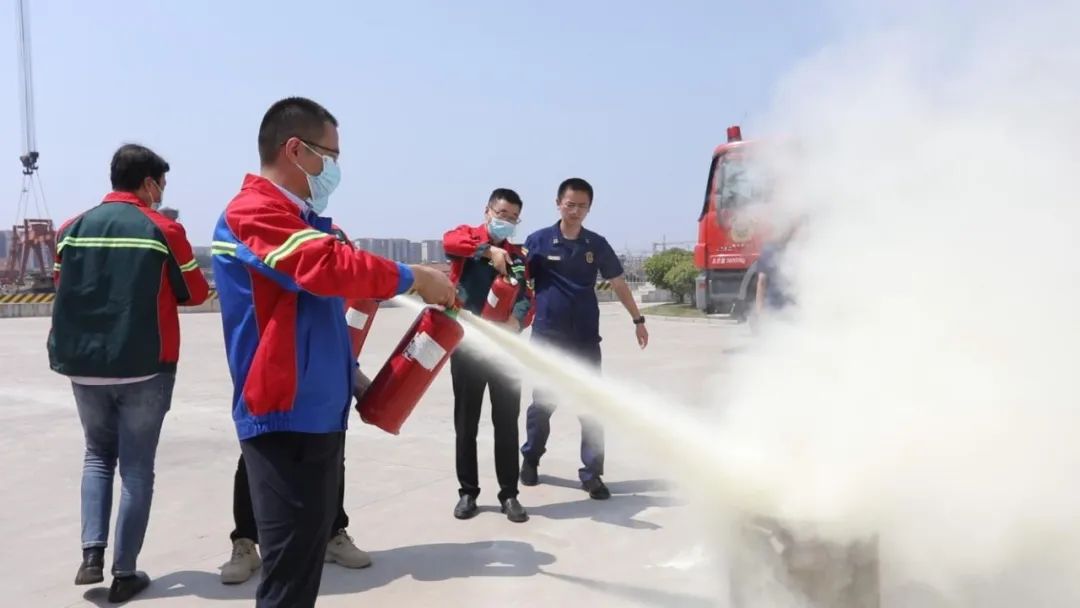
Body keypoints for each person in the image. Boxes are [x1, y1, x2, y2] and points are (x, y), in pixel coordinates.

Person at [211, 96, 456, 608]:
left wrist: (352, 375)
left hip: (318, 413)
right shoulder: (253, 213)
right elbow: (324, 268)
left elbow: (317, 316)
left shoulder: (300, 220)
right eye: (331, 156)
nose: (335, 169)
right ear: (295, 150)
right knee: (288, 581)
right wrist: (413, 277)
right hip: (284, 418)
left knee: (302, 573)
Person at [48, 144, 209, 603]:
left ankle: (91, 555)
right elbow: (196, 291)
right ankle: (124, 572)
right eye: (161, 184)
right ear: (148, 183)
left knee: (97, 456)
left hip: (85, 367)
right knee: (137, 470)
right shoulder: (163, 229)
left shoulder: (70, 229)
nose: (162, 192)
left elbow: (63, 286)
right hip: (145, 366)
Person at [519, 177, 649, 500]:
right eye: (570, 204)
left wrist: (638, 319)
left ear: (589, 208)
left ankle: (592, 474)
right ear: (558, 204)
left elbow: (618, 283)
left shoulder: (596, 244)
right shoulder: (538, 241)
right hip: (548, 338)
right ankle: (531, 458)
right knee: (543, 405)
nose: (575, 211)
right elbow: (516, 281)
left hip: (585, 339)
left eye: (582, 206)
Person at [443, 188, 534, 523]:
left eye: (513, 217)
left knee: (506, 423)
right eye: (502, 213)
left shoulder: (519, 257)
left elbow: (527, 296)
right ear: (488, 211)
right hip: (467, 345)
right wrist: (488, 250)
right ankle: (468, 492)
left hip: (504, 350)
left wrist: (517, 321)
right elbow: (449, 242)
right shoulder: (467, 240)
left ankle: (509, 494)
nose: (506, 221)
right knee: (466, 423)